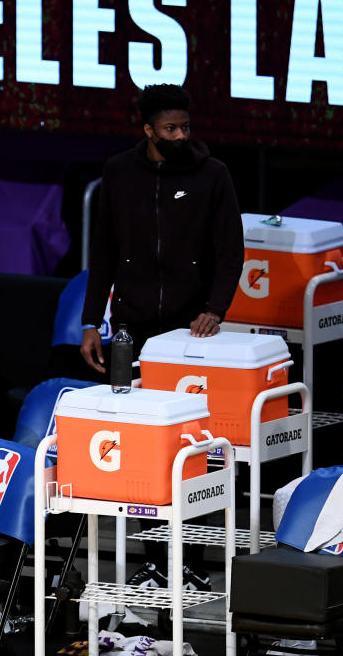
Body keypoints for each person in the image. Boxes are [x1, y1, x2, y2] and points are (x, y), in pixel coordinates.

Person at [79, 83, 243, 593]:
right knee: (144, 448)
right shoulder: (117, 172)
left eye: (185, 127)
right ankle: (154, 559)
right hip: (131, 327)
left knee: (190, 446)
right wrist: (91, 320)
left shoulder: (213, 175)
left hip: (188, 334)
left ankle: (191, 558)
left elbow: (230, 251)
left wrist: (215, 310)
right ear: (147, 129)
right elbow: (102, 251)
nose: (180, 135)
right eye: (170, 128)